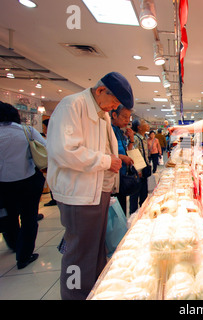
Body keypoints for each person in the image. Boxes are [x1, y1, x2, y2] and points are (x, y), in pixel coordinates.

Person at [46, 71, 133, 300]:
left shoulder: (101, 113)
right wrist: (106, 161)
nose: (113, 107)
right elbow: (64, 150)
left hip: (98, 193)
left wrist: (113, 161)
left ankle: (93, 293)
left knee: (95, 252)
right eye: (113, 101)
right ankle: (75, 295)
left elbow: (103, 148)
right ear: (101, 90)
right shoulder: (72, 106)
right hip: (79, 196)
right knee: (78, 254)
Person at [0, 102, 46, 269]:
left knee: (9, 215)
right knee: (29, 218)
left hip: (3, 184)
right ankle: (24, 256)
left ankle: (13, 243)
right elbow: (45, 148)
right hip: (27, 180)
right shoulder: (26, 131)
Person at [111, 105, 135, 214]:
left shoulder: (120, 132)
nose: (127, 120)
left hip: (122, 175)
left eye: (129, 117)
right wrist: (122, 157)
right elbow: (104, 152)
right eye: (124, 117)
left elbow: (126, 152)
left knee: (122, 209)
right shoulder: (109, 130)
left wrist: (131, 139)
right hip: (112, 178)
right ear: (114, 115)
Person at [130, 118, 150, 214]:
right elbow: (133, 154)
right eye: (144, 122)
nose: (147, 124)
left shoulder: (144, 138)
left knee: (144, 194)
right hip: (138, 172)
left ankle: (143, 213)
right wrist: (138, 170)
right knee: (135, 194)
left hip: (144, 170)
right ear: (139, 127)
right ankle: (133, 216)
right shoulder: (136, 139)